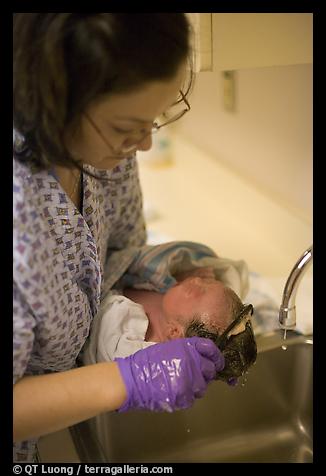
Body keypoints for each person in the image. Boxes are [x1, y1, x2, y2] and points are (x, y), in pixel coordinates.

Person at [13, 14, 225, 462]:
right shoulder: (20, 205)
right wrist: (127, 380)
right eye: (125, 126)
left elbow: (115, 253)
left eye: (153, 120)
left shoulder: (105, 153)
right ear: (57, 98)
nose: (144, 144)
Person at [83, 268, 257, 384]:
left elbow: (118, 369)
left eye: (196, 290)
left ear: (175, 331)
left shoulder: (138, 350)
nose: (196, 279)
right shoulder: (173, 304)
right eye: (207, 282)